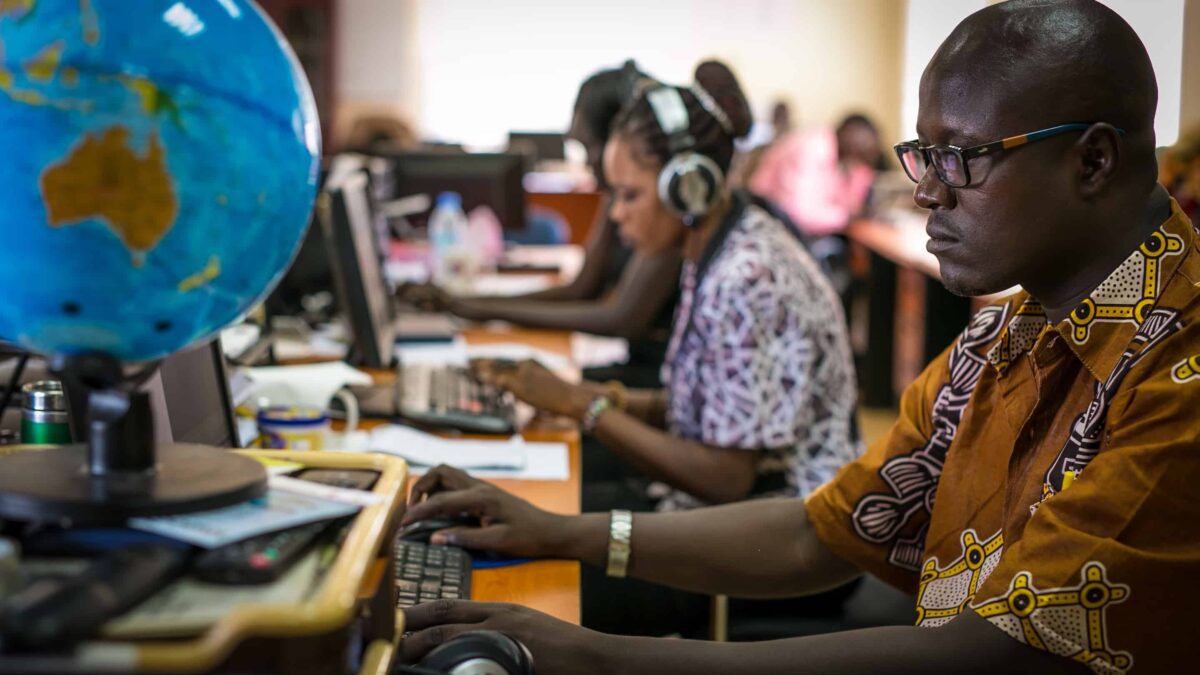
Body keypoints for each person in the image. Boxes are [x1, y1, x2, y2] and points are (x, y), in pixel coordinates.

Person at [396, 2, 1200, 672]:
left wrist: (591, 654)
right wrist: (557, 530)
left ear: (1093, 160)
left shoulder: (1180, 374)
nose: (925, 191)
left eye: (960, 158)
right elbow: (820, 528)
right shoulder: (1003, 337)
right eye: (925, 155)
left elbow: (992, 655)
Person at [472, 60, 859, 636]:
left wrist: (587, 408)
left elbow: (726, 475)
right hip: (714, 514)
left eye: (627, 195)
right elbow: (704, 407)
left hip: (775, 542)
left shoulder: (746, 275)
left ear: (688, 184)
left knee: (511, 589)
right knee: (504, 513)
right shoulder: (717, 244)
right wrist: (589, 396)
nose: (616, 213)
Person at [398, 61, 681, 388]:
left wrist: (477, 308)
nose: (586, 162)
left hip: (654, 382)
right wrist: (470, 306)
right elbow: (582, 287)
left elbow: (621, 317)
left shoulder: (667, 210)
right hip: (633, 373)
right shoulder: (616, 195)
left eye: (588, 147)